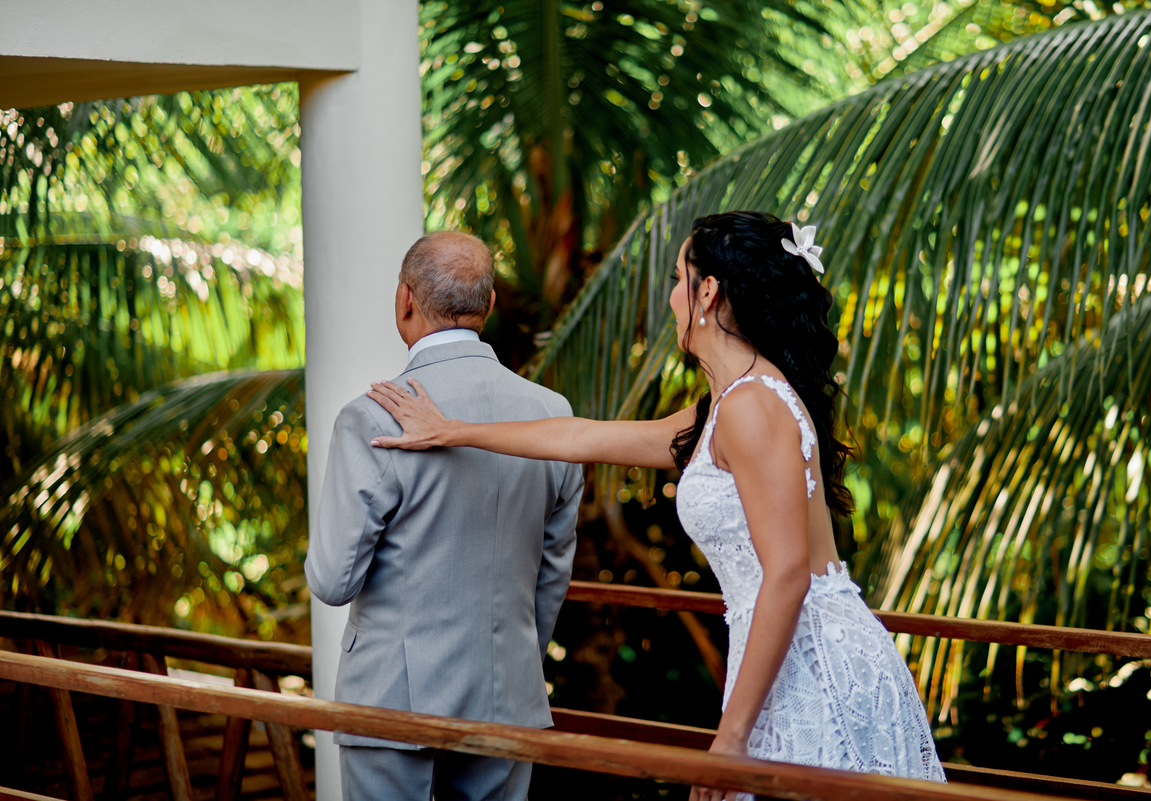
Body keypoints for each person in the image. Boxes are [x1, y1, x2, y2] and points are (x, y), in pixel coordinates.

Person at [367, 212, 947, 799]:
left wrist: (730, 739)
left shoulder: (751, 405)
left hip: (816, 662)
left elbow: (789, 573)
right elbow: (583, 437)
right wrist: (453, 430)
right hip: (781, 656)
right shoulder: (724, 406)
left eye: (677, 280)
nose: (670, 298)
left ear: (708, 292)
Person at [305, 231, 584, 801]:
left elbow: (333, 581)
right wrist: (512, 659)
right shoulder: (552, 415)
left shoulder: (372, 418)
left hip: (392, 696)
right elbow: (552, 573)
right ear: (489, 304)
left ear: (405, 299)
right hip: (508, 692)